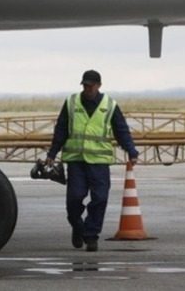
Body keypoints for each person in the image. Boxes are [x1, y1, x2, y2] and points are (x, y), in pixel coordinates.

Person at [46, 69, 139, 252]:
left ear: (99, 86)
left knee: (100, 199)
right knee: (74, 198)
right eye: (85, 85)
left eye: (90, 85)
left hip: (99, 162)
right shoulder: (72, 102)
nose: (87, 88)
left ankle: (91, 236)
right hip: (76, 160)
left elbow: (121, 130)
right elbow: (61, 129)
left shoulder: (109, 105)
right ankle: (77, 226)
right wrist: (52, 153)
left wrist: (131, 150)